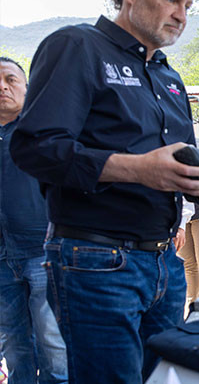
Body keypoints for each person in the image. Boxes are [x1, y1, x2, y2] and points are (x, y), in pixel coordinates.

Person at [9, 0, 199, 382]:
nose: (181, 14)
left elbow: (174, 165)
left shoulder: (168, 76)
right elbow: (35, 148)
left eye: (188, 5)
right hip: (96, 261)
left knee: (165, 378)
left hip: (164, 263)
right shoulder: (76, 47)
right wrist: (136, 169)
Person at [0, 57, 67, 383]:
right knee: (14, 345)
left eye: (10, 80)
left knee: (53, 345)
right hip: (1, 259)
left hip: (43, 254)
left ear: (27, 88)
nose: (2, 87)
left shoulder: (44, 132)